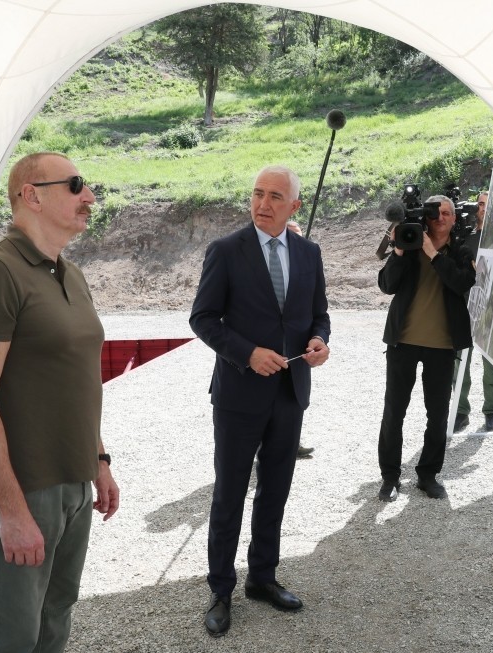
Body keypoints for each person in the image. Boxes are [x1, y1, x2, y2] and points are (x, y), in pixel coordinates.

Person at [0, 152, 120, 653]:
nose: (89, 197)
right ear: (32, 195)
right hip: (23, 489)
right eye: (76, 185)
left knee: (55, 620)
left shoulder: (69, 273)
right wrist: (13, 513)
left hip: (73, 482)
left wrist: (99, 460)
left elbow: (73, 381)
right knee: (11, 637)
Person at [190, 165, 331, 637]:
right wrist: (247, 354)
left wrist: (319, 341)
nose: (262, 203)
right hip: (238, 395)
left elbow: (320, 315)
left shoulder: (309, 254)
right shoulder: (226, 251)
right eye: (256, 193)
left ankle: (262, 578)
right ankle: (221, 589)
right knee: (229, 493)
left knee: (275, 489)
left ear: (295, 205)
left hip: (290, 394)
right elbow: (204, 319)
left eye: (275, 196)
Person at [376, 195, 475, 501]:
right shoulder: (410, 242)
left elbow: (461, 282)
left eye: (446, 212)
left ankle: (428, 475)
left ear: (454, 218)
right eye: (435, 213)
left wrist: (434, 255)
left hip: (442, 346)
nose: (440, 218)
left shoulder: (461, 250)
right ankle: (390, 477)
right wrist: (399, 251)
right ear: (426, 218)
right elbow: (386, 285)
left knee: (438, 414)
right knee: (394, 411)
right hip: (402, 342)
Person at [453, 191, 493, 432]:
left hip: (490, 311)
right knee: (459, 363)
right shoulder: (466, 239)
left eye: (488, 204)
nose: (484, 208)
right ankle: (461, 412)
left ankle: (491, 412)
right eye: (481, 204)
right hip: (464, 309)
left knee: (491, 366)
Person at [286, 219, 315, 458]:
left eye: (299, 236)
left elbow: (318, 311)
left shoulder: (308, 263)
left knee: (296, 397)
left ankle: (292, 442)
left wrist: (318, 337)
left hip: (299, 347)